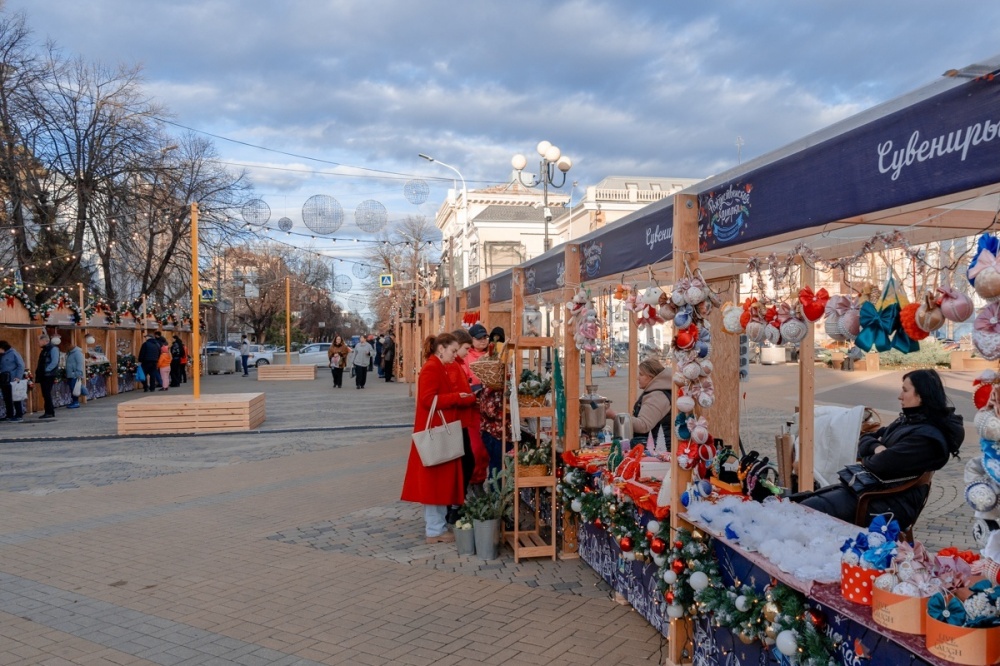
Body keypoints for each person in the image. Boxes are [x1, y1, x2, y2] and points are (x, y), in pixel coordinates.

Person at [796, 369, 964, 530]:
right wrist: (877, 447)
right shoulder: (909, 421)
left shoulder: (926, 438)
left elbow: (878, 465)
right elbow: (866, 438)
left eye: (905, 390)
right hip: (873, 492)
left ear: (921, 396)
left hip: (890, 504)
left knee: (806, 511)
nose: (900, 396)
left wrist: (871, 456)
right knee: (800, 501)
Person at [401, 333, 476, 543]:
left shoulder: (437, 365)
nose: (455, 355)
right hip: (435, 432)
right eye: (453, 350)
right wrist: (456, 398)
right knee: (434, 481)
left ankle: (438, 527)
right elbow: (427, 399)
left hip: (439, 430)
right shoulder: (432, 367)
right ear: (441, 348)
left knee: (438, 481)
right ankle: (435, 530)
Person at [449, 329, 489, 499]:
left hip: (481, 409)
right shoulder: (455, 364)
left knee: (481, 451)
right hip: (468, 411)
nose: (483, 341)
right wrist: (471, 395)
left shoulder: (491, 354)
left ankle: (473, 485)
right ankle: (467, 488)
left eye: (485, 338)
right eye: (479, 339)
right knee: (473, 451)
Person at [606, 359, 673, 447]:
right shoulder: (656, 392)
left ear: (651, 377)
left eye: (641, 374)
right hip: (655, 445)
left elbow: (643, 425)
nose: (638, 378)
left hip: (656, 449)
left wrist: (615, 416)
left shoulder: (657, 396)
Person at [0, 340, 25, 422]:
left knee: (16, 397)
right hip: (4, 379)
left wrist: (18, 376)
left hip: (13, 379)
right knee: (7, 398)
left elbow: (21, 365)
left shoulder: (14, 353)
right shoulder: (1, 355)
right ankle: (9, 414)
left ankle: (19, 414)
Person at [35, 333, 58, 419]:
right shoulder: (45, 349)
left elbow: (54, 362)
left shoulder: (53, 349)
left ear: (44, 340)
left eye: (39, 341)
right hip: (44, 375)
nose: (38, 343)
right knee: (45, 394)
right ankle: (48, 411)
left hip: (48, 375)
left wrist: (47, 370)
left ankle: (49, 411)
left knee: (47, 393)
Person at [64, 342, 85, 409]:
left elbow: (79, 363)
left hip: (74, 374)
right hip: (70, 374)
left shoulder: (77, 353)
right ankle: (74, 401)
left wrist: (77, 373)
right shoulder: (70, 353)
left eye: (68, 345)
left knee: (75, 388)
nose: (67, 347)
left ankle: (76, 402)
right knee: (72, 388)